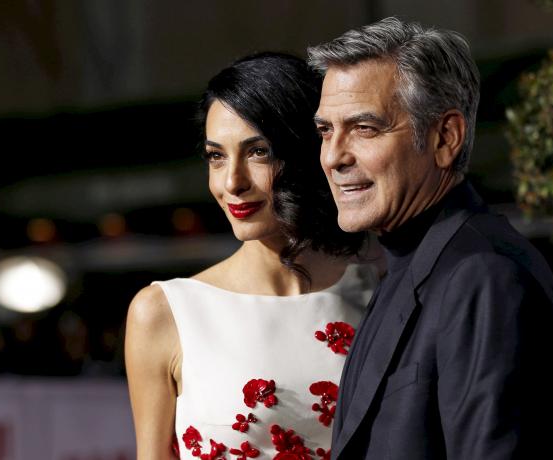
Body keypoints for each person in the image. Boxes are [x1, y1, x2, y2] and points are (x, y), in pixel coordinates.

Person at [307, 17, 553, 460]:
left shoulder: (483, 277)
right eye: (326, 130)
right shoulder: (415, 260)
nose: (334, 156)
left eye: (365, 128)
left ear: (445, 137)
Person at [125, 52, 378, 459]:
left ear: (303, 152)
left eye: (258, 151)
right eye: (216, 156)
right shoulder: (162, 312)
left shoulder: (382, 291)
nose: (232, 182)